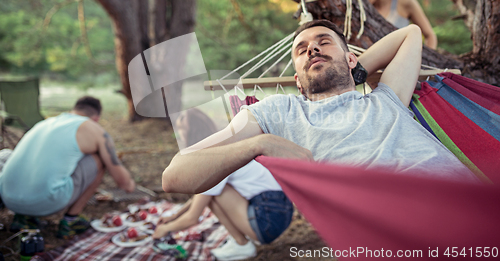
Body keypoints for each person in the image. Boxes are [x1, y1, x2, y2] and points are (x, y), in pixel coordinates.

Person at [161, 20, 479, 199]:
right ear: (297, 78)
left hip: (468, 201)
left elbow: (410, 33)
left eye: (323, 42)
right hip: (390, 222)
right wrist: (259, 144)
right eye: (301, 50)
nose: (312, 47)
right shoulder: (279, 111)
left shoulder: (387, 97)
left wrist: (350, 72)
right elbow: (175, 175)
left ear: (352, 58)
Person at [156, 108, 293, 261]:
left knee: (212, 191)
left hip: (268, 220)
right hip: (279, 211)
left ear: (192, 133)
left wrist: (165, 229)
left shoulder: (213, 159)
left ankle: (241, 245)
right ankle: (240, 241)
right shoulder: (224, 146)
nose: (178, 134)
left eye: (181, 129)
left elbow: (193, 217)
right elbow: (199, 198)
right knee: (209, 192)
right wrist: (175, 216)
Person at [0, 96, 135, 238]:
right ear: (96, 118)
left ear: (73, 110)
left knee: (11, 155)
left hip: (8, 198)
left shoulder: (46, 123)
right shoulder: (95, 129)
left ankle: (22, 218)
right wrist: (130, 184)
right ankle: (71, 221)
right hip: (44, 202)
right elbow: (124, 184)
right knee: (99, 160)